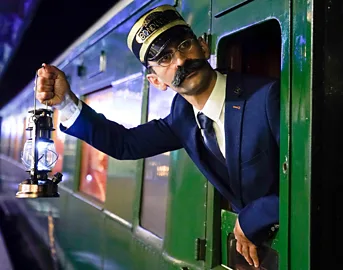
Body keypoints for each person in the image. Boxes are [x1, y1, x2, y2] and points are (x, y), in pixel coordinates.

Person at [35, 4, 279, 268]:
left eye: (185, 45)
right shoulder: (183, 117)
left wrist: (251, 218)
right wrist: (66, 103)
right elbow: (124, 144)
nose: (180, 61)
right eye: (165, 58)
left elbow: (314, 180)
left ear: (204, 48)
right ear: (156, 82)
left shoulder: (266, 99)